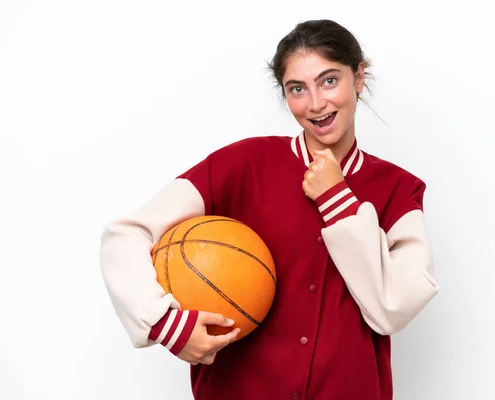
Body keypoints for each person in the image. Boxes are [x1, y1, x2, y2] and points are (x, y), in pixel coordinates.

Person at [99, 19, 439, 400]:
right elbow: (126, 236)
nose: (315, 104)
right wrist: (166, 324)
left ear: (359, 76)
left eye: (329, 80)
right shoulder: (241, 164)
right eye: (297, 88)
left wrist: (337, 200)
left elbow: (393, 308)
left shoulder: (398, 188)